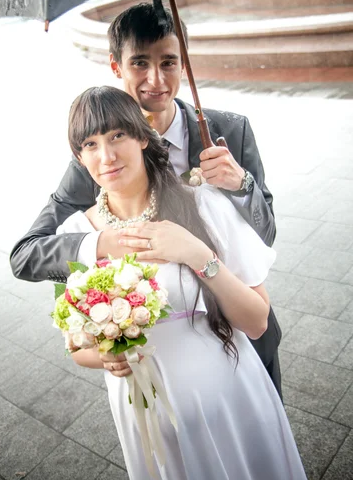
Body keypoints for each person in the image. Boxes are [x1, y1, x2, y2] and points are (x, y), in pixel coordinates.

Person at [10, 3, 282, 396]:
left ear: (183, 64)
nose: (156, 79)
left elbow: (267, 234)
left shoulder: (229, 131)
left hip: (240, 332)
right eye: (139, 63)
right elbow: (26, 254)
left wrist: (242, 186)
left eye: (169, 62)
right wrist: (104, 243)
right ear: (116, 67)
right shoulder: (101, 160)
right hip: (159, 359)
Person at [56, 85, 306, 480]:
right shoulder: (75, 234)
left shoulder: (202, 204)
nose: (106, 156)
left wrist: (197, 255)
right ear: (78, 156)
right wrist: (104, 356)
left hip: (227, 399)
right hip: (146, 419)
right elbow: (75, 346)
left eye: (117, 135)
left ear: (141, 136)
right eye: (90, 143)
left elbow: (257, 321)